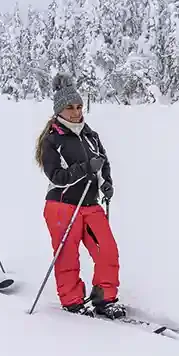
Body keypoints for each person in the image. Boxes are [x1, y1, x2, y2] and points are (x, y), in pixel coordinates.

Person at [34, 73, 125, 319]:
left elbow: (104, 164)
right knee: (67, 254)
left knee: (107, 250)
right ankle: (72, 300)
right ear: (59, 111)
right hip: (62, 205)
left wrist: (106, 184)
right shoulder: (52, 140)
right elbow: (56, 176)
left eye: (78, 106)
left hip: (90, 203)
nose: (76, 112)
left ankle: (105, 298)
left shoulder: (90, 135)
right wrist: (85, 169)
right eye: (69, 108)